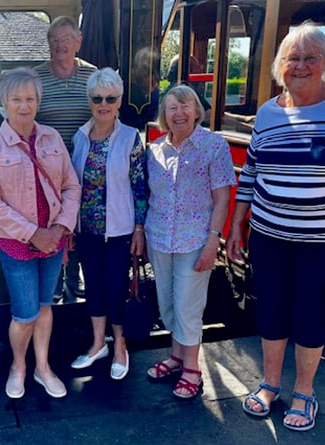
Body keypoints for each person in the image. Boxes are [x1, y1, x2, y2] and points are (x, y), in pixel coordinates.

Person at [226, 22, 325, 431]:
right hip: (270, 234)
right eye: (292, 58)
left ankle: (305, 391)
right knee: (270, 308)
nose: (301, 66)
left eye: (310, 58)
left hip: (324, 239)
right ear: (279, 66)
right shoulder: (268, 113)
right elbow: (251, 173)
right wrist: (238, 225)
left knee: (309, 310)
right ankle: (269, 383)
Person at [0, 67, 80, 399]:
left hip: (53, 237)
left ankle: (43, 368)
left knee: (45, 306)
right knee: (24, 313)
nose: (24, 106)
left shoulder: (51, 138)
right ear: (3, 102)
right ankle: (18, 366)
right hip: (16, 243)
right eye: (16, 99)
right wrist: (34, 233)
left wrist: (60, 228)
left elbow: (71, 187)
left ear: (38, 101)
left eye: (30, 99)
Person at [145, 85, 235, 399]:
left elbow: (222, 200)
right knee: (167, 303)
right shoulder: (155, 149)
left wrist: (214, 242)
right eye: (172, 108)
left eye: (185, 106)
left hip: (195, 240)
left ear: (196, 110)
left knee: (188, 306)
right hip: (159, 239)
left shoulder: (213, 146)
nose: (179, 113)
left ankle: (192, 368)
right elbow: (152, 197)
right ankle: (176, 355)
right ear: (164, 116)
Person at [70, 68, 147, 380]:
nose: (103, 104)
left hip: (119, 229)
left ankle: (120, 347)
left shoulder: (130, 138)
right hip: (86, 228)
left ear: (119, 101)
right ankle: (97, 343)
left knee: (116, 288)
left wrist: (139, 229)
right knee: (94, 287)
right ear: (89, 101)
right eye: (97, 98)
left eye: (110, 98)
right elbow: (72, 185)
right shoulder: (79, 137)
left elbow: (140, 187)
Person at [34, 15, 96, 301]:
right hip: (47, 166)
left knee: (82, 221)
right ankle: (55, 280)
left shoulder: (92, 77)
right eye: (54, 40)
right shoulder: (36, 78)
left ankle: (75, 276)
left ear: (78, 42)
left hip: (86, 164)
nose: (59, 45)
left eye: (65, 39)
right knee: (52, 220)